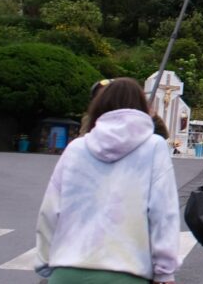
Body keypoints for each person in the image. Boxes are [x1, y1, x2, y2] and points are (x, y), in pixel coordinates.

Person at [34, 78, 181, 283]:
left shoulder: (76, 148)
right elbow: (163, 213)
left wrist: (45, 261)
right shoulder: (154, 147)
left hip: (67, 270)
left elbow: (50, 211)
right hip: (127, 272)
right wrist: (165, 271)